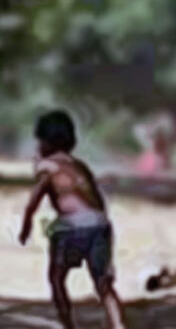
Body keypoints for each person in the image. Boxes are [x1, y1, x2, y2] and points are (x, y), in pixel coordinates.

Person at [18, 110, 126, 329]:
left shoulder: (47, 167)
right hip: (100, 225)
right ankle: (118, 324)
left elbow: (34, 200)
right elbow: (98, 200)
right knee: (104, 284)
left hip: (71, 227)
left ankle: (69, 325)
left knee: (56, 277)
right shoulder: (81, 166)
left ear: (45, 142)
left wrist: (26, 226)